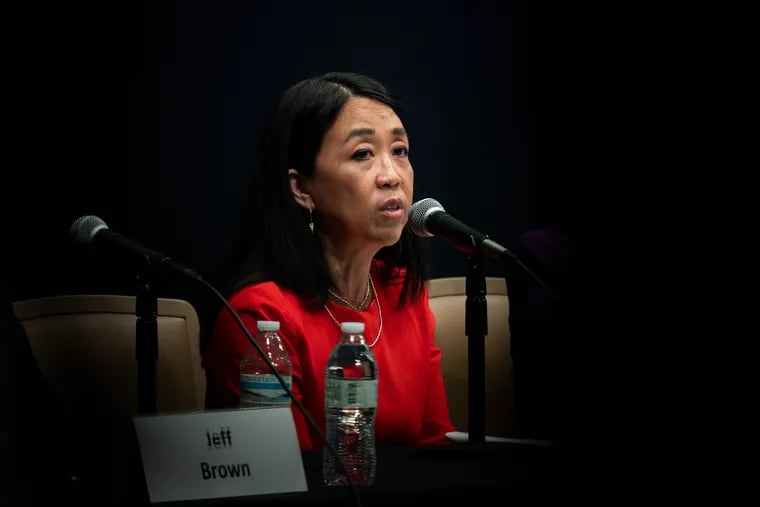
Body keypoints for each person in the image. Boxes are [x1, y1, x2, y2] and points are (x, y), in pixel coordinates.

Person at [202, 71, 456, 451]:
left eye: (400, 151)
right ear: (302, 188)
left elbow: (436, 443)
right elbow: (287, 475)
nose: (392, 176)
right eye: (362, 154)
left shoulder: (404, 294)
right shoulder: (261, 318)